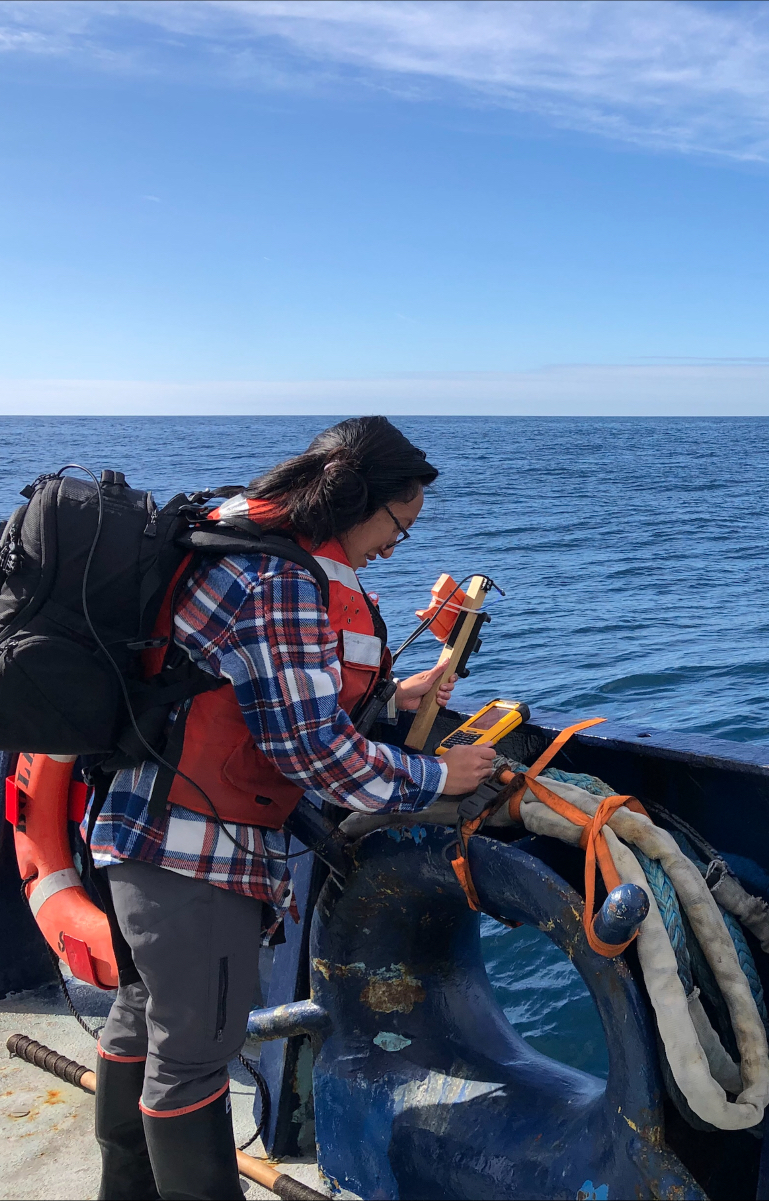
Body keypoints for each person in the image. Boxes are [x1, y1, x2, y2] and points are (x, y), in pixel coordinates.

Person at [86, 416, 495, 1199]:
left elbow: (250, 693)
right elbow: (312, 754)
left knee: (145, 1018)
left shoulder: (246, 542)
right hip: (192, 851)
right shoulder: (284, 579)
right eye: (396, 527)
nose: (391, 547)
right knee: (193, 1055)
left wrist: (397, 694)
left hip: (140, 825)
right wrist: (439, 774)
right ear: (357, 499)